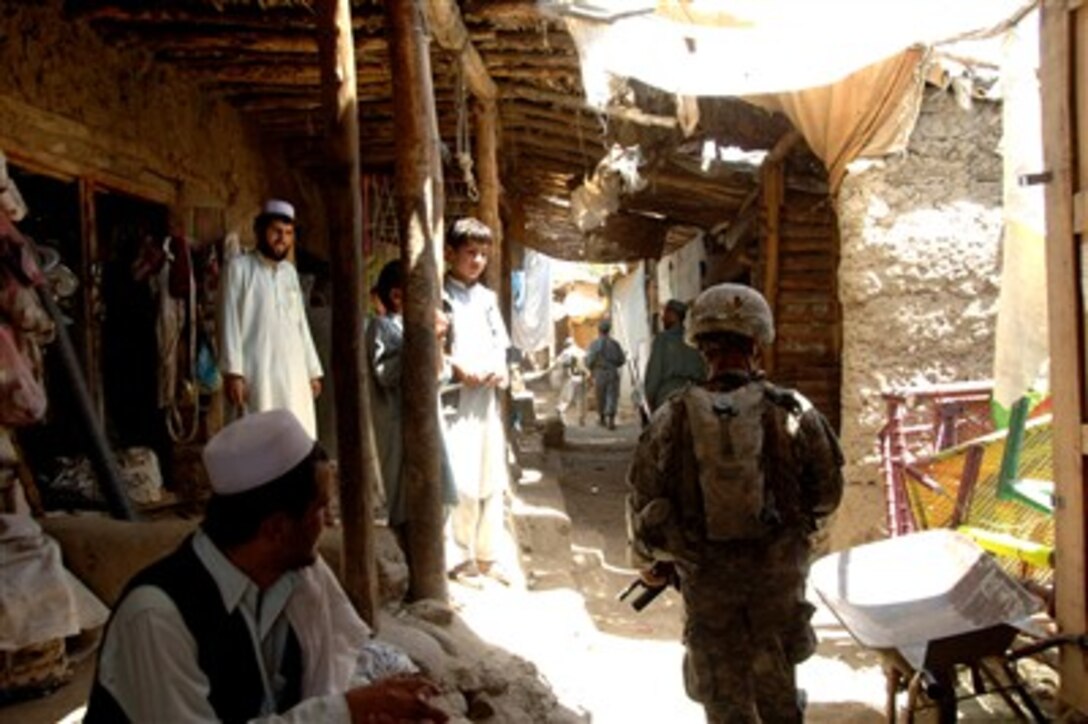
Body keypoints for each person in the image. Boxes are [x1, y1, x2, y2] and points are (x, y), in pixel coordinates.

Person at [84, 409, 447, 723]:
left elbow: (335, 665)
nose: (329, 523)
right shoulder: (156, 617)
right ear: (275, 527)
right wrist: (345, 713)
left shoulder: (302, 575)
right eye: (321, 508)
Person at [625, 283, 843, 723]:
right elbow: (826, 496)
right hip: (777, 583)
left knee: (723, 701)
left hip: (708, 586)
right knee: (778, 694)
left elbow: (645, 507)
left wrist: (651, 561)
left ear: (701, 348)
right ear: (757, 344)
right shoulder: (794, 411)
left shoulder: (672, 416)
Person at [442, 217, 513, 584]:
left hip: (486, 399)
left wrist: (500, 370)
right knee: (462, 478)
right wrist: (457, 369)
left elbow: (501, 344)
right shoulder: (439, 296)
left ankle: (489, 555)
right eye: (471, 253)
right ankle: (458, 556)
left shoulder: (487, 298)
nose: (477, 261)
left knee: (491, 477)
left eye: (483, 254)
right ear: (450, 253)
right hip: (455, 402)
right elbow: (431, 349)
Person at [366, 259, 457, 532]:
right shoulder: (382, 327)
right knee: (405, 499)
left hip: (427, 423)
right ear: (397, 296)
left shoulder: (411, 328)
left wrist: (435, 341)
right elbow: (387, 374)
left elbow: (439, 375)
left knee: (435, 491)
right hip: (398, 427)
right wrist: (422, 337)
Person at [219, 199, 323, 438]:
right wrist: (233, 373)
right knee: (258, 438)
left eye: (288, 233)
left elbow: (301, 325)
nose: (282, 239)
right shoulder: (238, 269)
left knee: (296, 436)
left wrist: (312, 370)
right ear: (259, 231)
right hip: (257, 374)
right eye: (276, 231)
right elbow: (229, 322)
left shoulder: (289, 273)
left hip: (293, 375)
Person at [643, 299, 707, 413]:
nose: (662, 319)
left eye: (665, 314)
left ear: (673, 315)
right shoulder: (694, 339)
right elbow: (704, 372)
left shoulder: (662, 340)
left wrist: (650, 401)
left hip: (668, 397)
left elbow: (654, 374)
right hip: (695, 396)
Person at [585, 318, 626, 430]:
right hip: (612, 372)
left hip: (600, 373)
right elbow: (622, 360)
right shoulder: (615, 344)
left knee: (600, 396)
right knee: (612, 395)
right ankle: (611, 419)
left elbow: (589, 361)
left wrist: (591, 369)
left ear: (599, 330)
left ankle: (602, 418)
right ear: (609, 330)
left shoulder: (594, 344)